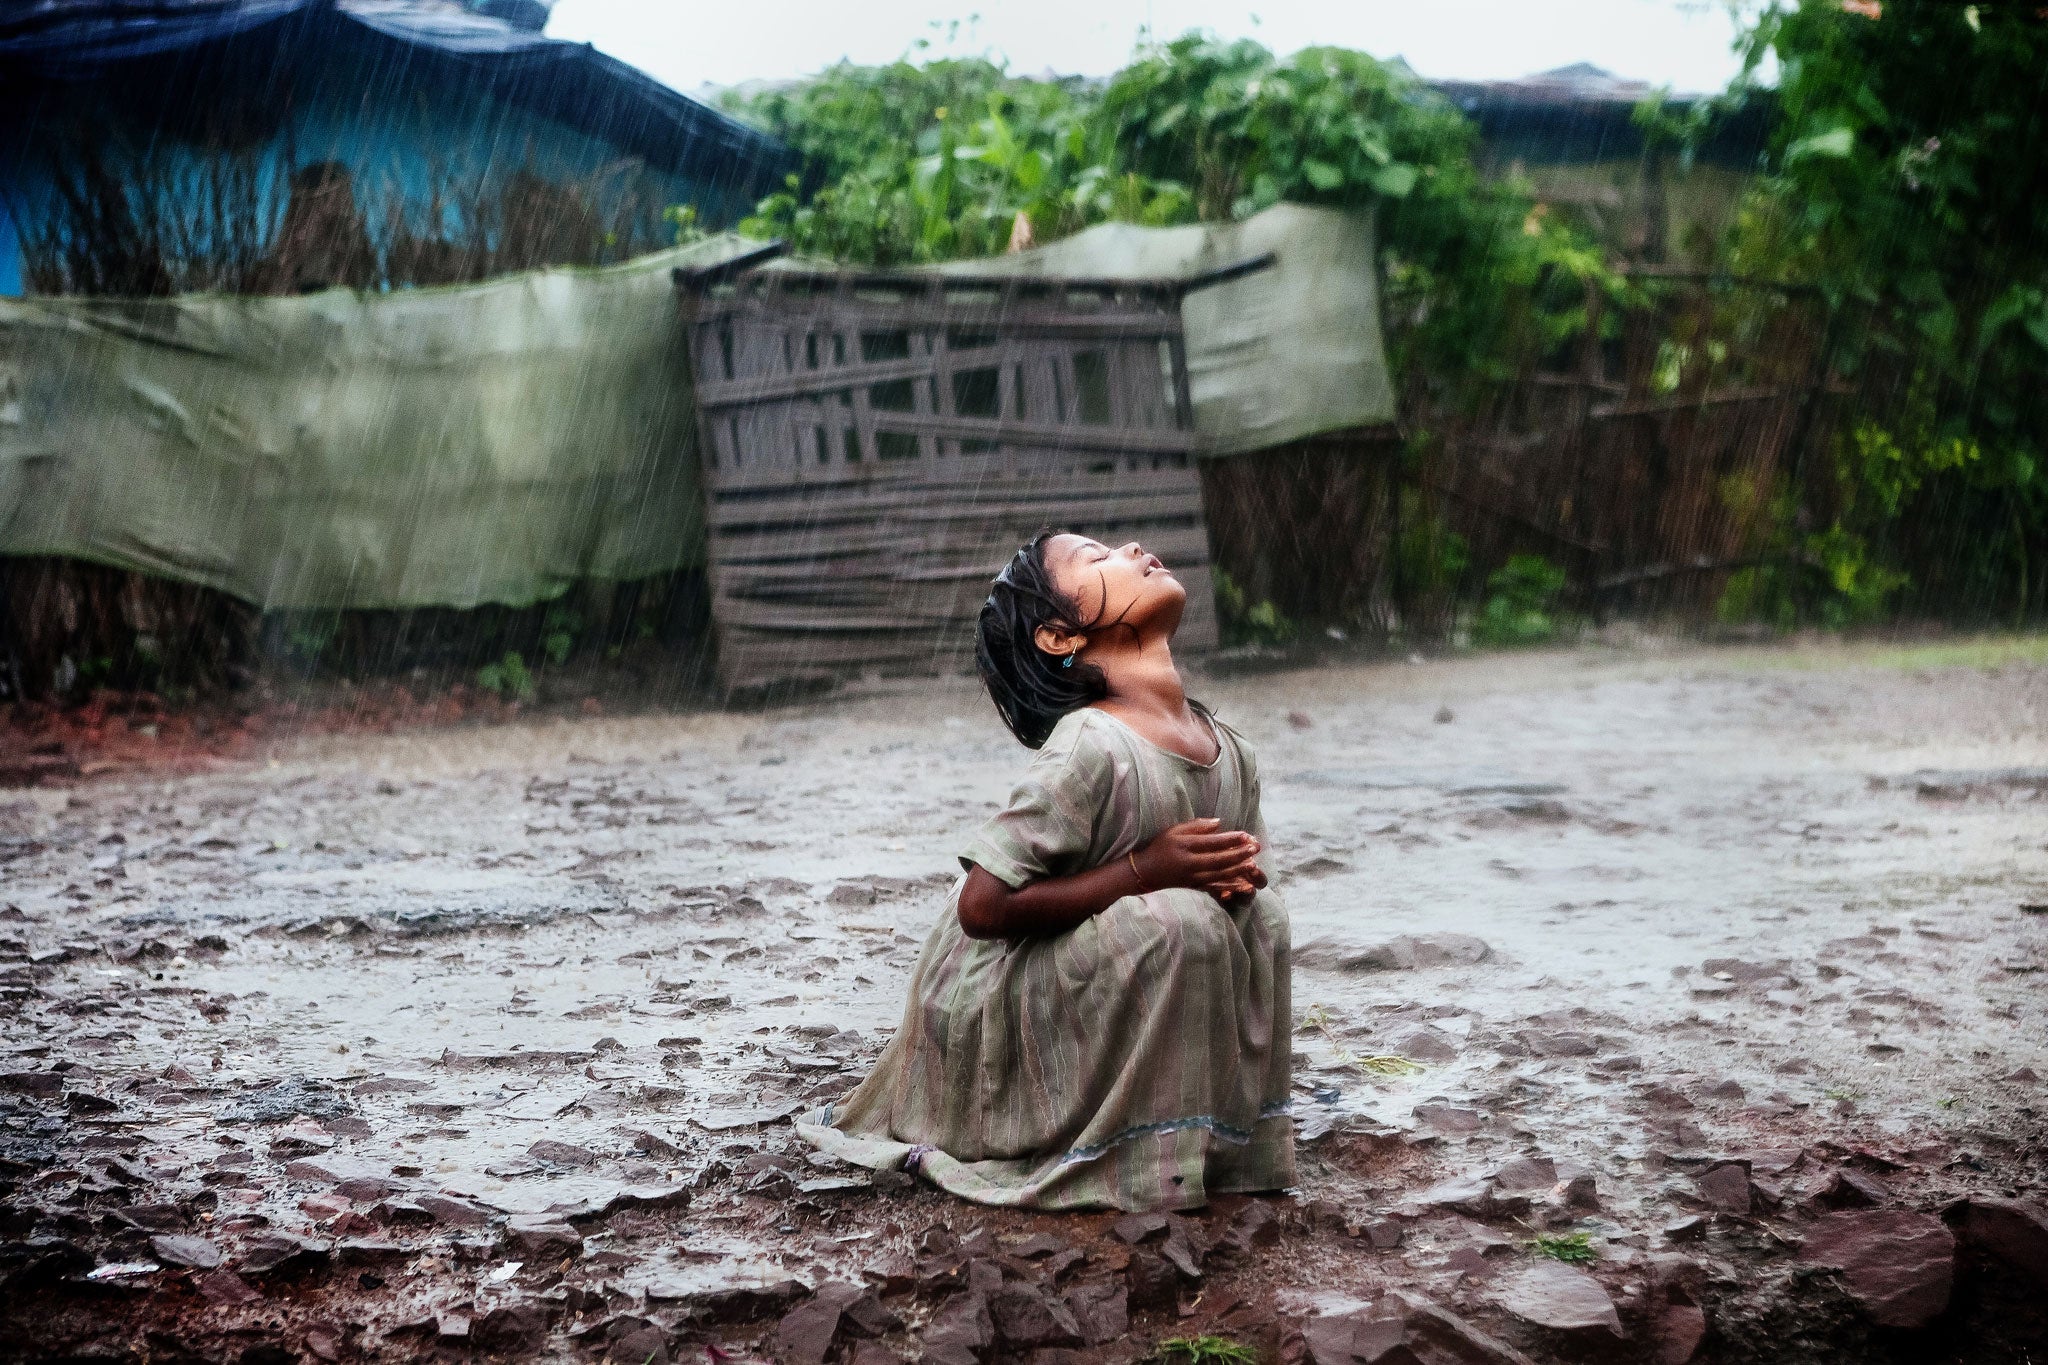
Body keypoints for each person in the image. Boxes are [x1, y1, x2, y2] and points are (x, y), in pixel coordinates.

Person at [797, 531, 1293, 1211]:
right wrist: (1145, 869)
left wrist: (1234, 879)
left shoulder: (1229, 748)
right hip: (995, 991)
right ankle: (1118, 1155)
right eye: (1096, 557)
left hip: (1111, 963)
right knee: (1187, 923)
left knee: (1260, 921)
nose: (1134, 545)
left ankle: (1220, 1145)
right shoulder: (1091, 744)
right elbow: (983, 906)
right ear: (1060, 637)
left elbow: (1243, 881)